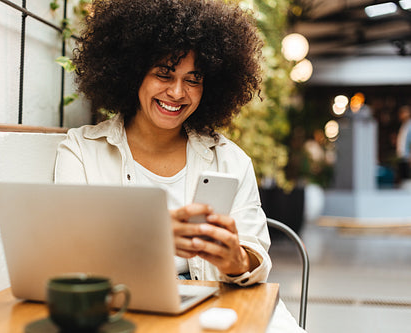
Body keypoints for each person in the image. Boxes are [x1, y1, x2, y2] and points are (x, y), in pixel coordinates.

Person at [54, 0, 304, 331]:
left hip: (222, 307)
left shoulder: (230, 159)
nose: (177, 92)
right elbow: (68, 256)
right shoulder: (82, 151)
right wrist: (152, 236)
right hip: (124, 309)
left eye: (193, 78)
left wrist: (236, 260)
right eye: (163, 73)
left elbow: (254, 255)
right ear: (132, 73)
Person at [396, 105, 411, 186]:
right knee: (403, 179)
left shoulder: (409, 125)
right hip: (402, 155)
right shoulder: (404, 125)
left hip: (407, 157)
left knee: (407, 180)